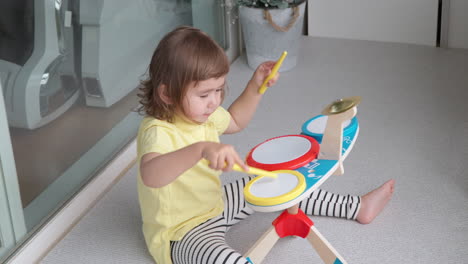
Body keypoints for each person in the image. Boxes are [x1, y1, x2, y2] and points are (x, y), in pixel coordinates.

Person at [136, 26, 395, 264]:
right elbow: (151, 174)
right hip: (183, 232)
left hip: (217, 204)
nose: (214, 101)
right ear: (167, 94)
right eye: (204, 94)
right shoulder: (157, 131)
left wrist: (255, 87)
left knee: (282, 181)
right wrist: (201, 149)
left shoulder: (201, 112)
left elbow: (236, 120)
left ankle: (356, 207)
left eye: (218, 90)